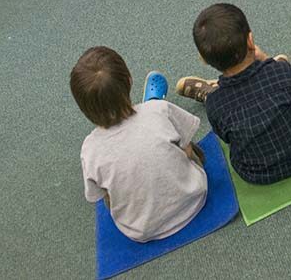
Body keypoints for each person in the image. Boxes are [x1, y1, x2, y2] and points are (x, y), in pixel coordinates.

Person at [177, 3, 291, 185]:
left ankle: (212, 91)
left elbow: (225, 137)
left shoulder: (216, 104)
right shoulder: (277, 72)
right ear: (251, 41)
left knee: (231, 110)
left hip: (254, 173)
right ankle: (280, 64)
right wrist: (269, 62)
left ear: (203, 59)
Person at [71, 47, 207, 242]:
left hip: (140, 230)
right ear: (129, 81)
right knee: (173, 133)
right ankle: (148, 105)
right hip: (194, 200)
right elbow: (188, 151)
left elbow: (103, 197)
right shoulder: (161, 110)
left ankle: (145, 116)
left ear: (83, 108)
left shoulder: (89, 149)